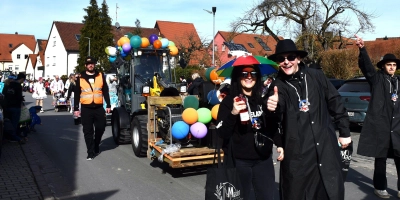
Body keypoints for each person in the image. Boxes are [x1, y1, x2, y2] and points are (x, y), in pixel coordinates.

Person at [267, 39, 351, 200]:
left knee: (330, 191)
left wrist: (344, 131)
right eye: (281, 59)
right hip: (299, 153)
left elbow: (335, 101)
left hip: (325, 146)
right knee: (298, 193)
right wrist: (272, 106)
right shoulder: (278, 85)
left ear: (298, 58)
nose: (286, 62)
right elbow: (276, 114)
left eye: (290, 57)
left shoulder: (316, 76)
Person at [216, 63, 284, 199]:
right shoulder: (229, 101)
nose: (249, 77)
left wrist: (279, 144)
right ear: (237, 77)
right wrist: (233, 113)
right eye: (244, 74)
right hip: (240, 161)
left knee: (267, 196)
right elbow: (222, 132)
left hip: (263, 159)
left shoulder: (262, 99)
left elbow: (271, 125)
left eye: (253, 74)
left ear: (257, 77)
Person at [355, 35, 400, 199]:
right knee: (380, 158)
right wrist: (362, 49)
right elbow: (367, 67)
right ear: (383, 66)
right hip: (381, 125)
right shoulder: (377, 79)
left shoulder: (398, 81)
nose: (392, 67)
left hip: (397, 126)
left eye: (394, 65)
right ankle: (379, 187)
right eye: (389, 65)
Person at [74, 56, 111, 160]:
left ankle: (96, 144)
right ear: (85, 65)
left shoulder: (100, 75)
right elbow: (77, 93)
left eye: (92, 63)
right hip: (86, 108)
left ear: (94, 65)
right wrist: (76, 108)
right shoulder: (80, 77)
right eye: (88, 64)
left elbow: (105, 91)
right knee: (88, 131)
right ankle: (90, 152)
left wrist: (108, 105)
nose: (91, 65)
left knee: (101, 127)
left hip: (99, 108)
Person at [4, 73, 26, 144]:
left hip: (7, 106)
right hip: (15, 107)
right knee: (14, 124)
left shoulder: (8, 84)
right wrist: (21, 100)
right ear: (22, 79)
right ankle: (13, 138)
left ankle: (7, 136)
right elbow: (18, 96)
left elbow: (4, 94)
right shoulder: (18, 86)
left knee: (7, 122)